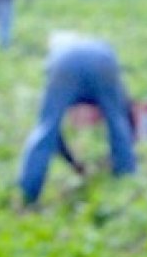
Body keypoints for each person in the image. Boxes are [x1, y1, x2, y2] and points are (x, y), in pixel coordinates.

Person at [18, 33, 137, 206]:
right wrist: (130, 138)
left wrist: (72, 162)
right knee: (117, 124)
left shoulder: (58, 52)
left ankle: (28, 193)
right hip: (104, 61)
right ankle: (126, 185)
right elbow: (125, 111)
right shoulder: (95, 46)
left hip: (64, 65)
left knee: (46, 128)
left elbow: (53, 133)